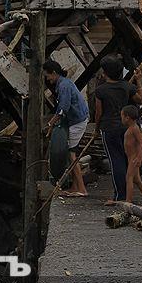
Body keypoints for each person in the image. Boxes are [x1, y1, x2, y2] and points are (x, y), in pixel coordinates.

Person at [94, 58, 142, 204]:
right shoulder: (127, 86)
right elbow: (140, 99)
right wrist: (139, 81)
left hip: (109, 128)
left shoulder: (100, 90)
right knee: (127, 159)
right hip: (126, 128)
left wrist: (96, 129)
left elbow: (98, 113)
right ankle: (128, 195)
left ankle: (120, 196)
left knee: (116, 161)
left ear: (105, 73)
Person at [44, 60, 90, 196]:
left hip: (77, 121)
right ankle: (75, 186)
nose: (47, 79)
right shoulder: (64, 83)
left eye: (47, 75)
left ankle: (81, 189)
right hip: (77, 119)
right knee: (71, 153)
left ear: (54, 73)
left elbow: (63, 108)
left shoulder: (63, 85)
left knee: (71, 154)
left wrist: (51, 123)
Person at [121, 105, 142, 207]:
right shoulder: (131, 128)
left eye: (122, 116)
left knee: (129, 178)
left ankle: (128, 201)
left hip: (134, 158)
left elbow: (141, 142)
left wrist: (139, 157)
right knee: (137, 180)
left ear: (127, 117)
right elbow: (139, 143)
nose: (121, 119)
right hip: (131, 157)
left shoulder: (134, 128)